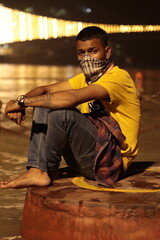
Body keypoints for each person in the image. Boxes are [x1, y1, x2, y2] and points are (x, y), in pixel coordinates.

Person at [0, 26, 141, 189]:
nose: (87, 58)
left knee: (63, 114)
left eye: (93, 51)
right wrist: (21, 103)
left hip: (110, 162)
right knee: (43, 104)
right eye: (81, 53)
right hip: (85, 158)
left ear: (107, 52)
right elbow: (45, 90)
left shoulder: (118, 78)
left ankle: (43, 170)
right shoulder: (85, 79)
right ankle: (39, 170)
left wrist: (21, 103)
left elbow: (70, 98)